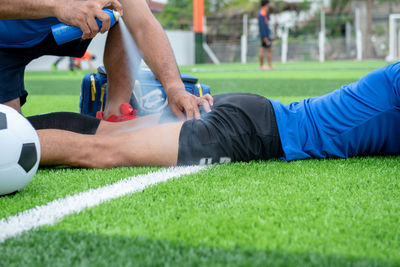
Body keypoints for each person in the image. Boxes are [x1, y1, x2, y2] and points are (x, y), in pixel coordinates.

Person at [27, 63, 400, 168]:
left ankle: (11, 129)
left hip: (252, 114)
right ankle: (8, 143)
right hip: (250, 129)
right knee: (104, 152)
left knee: (107, 135)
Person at [0, 0, 211, 121]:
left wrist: (175, 88)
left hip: (62, 30)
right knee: (10, 137)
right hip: (4, 39)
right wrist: (59, 6)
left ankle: (115, 112)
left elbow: (143, 25)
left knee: (126, 8)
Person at [258, 0, 275, 71]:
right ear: (266, 4)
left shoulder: (265, 12)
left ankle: (268, 65)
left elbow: (268, 21)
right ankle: (262, 66)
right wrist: (265, 36)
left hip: (267, 34)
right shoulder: (261, 13)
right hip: (264, 35)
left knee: (268, 49)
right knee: (264, 49)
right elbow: (262, 26)